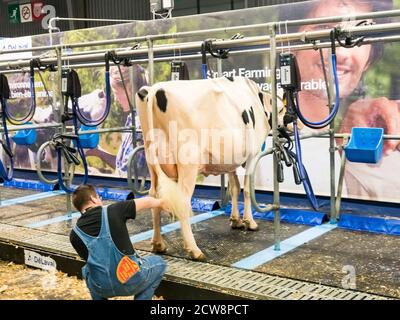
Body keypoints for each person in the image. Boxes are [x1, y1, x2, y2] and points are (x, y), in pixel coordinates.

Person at [257, 0, 399, 203]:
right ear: (289, 44)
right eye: (323, 29)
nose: (341, 53)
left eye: (359, 35)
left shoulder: (371, 128)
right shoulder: (258, 131)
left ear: (369, 57)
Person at [69, 184, 168, 300]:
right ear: (93, 199)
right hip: (131, 280)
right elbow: (146, 201)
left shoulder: (74, 235)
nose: (100, 199)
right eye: (99, 196)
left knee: (87, 270)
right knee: (160, 263)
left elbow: (93, 262)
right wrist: (162, 202)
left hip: (102, 288)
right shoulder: (113, 210)